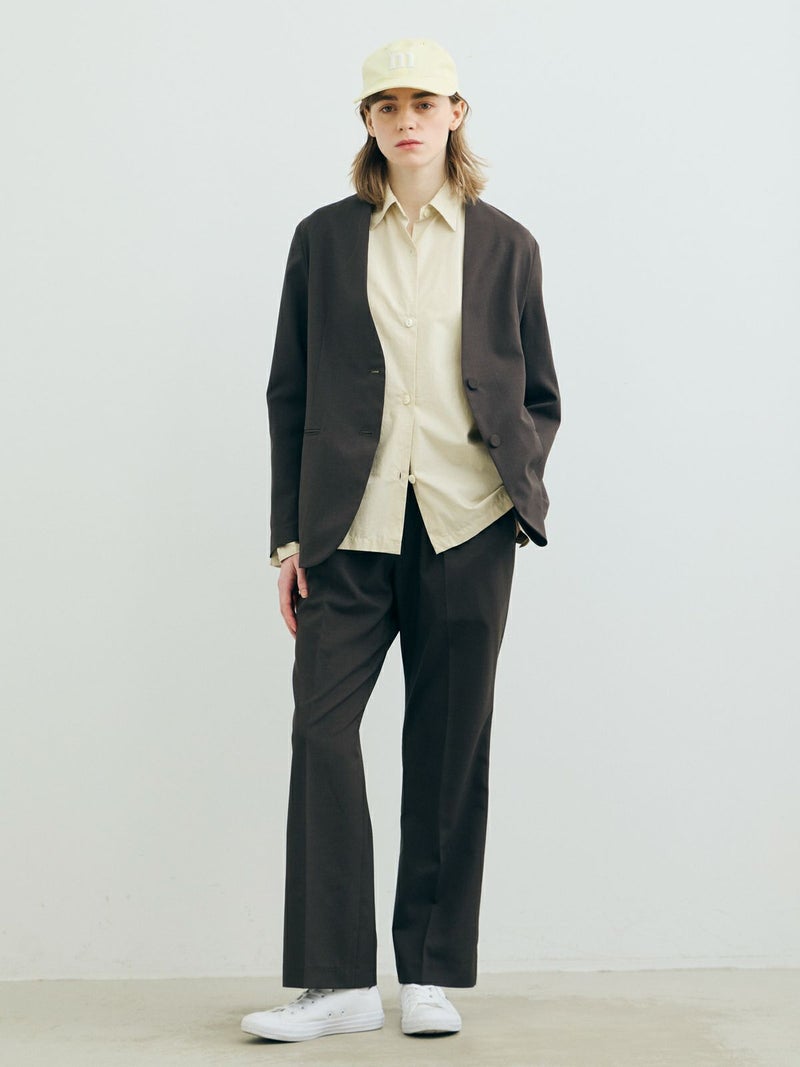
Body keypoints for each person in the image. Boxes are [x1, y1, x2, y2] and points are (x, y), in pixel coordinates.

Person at [241, 37, 560, 1044]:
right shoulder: (324, 239)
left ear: (456, 113)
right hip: (349, 529)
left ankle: (427, 971)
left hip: (468, 524)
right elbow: (290, 391)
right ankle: (336, 981)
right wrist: (288, 538)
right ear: (368, 122)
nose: (405, 119)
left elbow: (536, 391)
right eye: (386, 105)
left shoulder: (506, 243)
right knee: (321, 734)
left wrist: (515, 485)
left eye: (424, 102)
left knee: (448, 744)